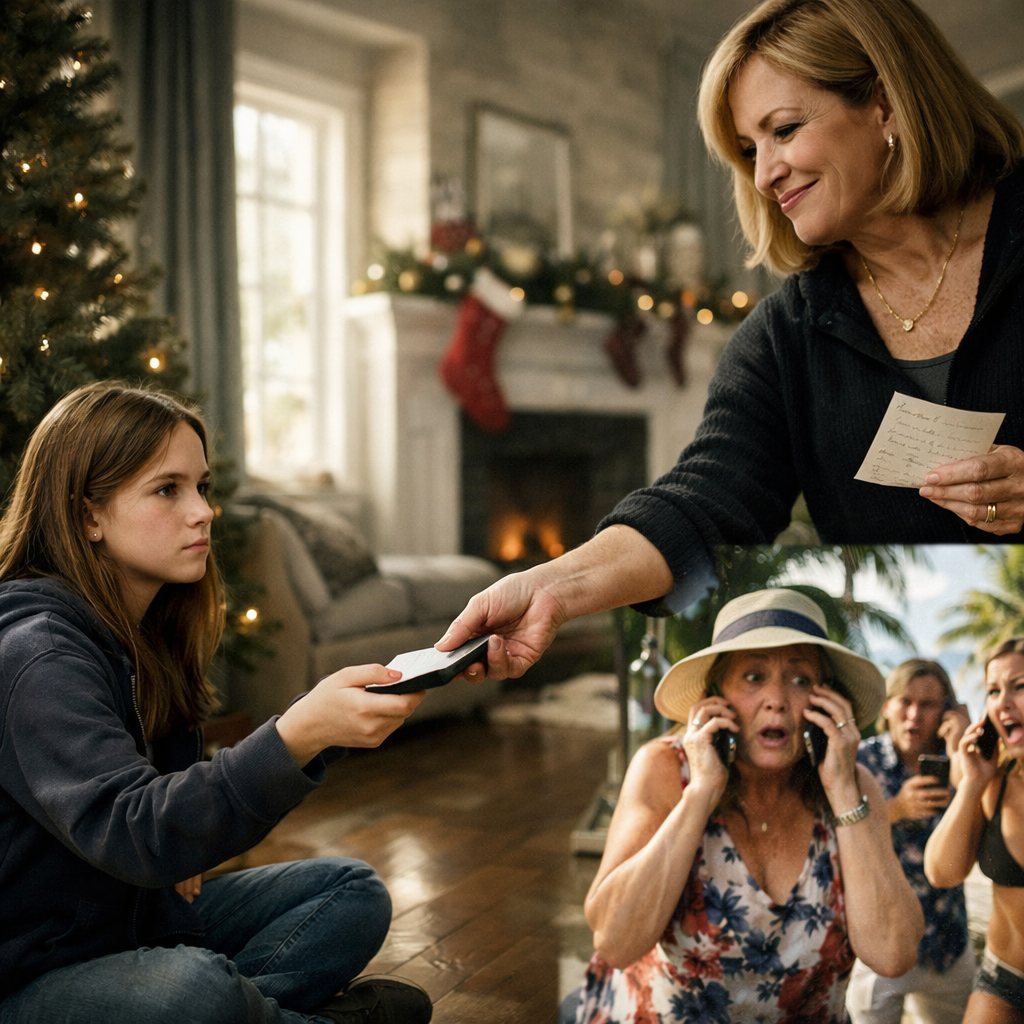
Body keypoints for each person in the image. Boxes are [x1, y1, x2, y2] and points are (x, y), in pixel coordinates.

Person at [442, 0, 1024, 684]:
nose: (765, 173)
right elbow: (705, 499)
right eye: (750, 150)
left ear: (885, 104)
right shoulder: (786, 336)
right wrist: (551, 588)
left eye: (783, 130)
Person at [0, 382, 433, 1024]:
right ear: (88, 514)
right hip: (29, 971)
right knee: (190, 991)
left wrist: (318, 731)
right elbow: (137, 829)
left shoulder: (151, 629)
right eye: (166, 489)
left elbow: (166, 814)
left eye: (201, 487)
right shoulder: (38, 653)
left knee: (350, 890)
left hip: (133, 923)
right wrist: (294, 735)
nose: (203, 511)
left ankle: (248, 1013)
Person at [559, 589, 922, 1024]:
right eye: (753, 676)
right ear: (717, 696)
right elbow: (615, 942)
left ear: (826, 700)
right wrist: (700, 793)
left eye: (800, 679)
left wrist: (844, 792)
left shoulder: (853, 786)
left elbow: (892, 955)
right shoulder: (664, 768)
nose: (777, 700)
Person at [847, 659, 973, 1024]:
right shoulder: (861, 759)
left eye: (929, 704)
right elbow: (836, 834)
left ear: (946, 710)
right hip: (880, 944)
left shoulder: (961, 762)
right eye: (905, 701)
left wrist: (962, 752)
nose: (914, 715)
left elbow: (988, 831)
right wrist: (896, 809)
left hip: (949, 943)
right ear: (887, 706)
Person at [925, 638, 1024, 1022]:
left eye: (1020, 686)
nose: (1003, 702)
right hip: (1003, 981)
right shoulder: (993, 784)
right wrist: (971, 783)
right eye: (994, 691)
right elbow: (941, 872)